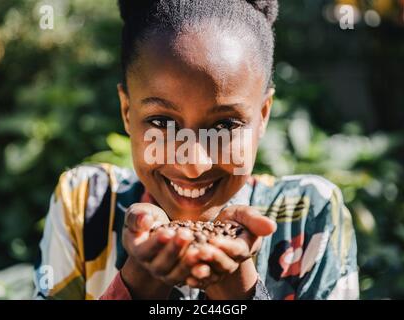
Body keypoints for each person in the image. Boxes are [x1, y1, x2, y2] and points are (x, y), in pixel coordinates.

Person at [34, 0, 359, 300]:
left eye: (224, 126)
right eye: (161, 121)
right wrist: (136, 284)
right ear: (127, 112)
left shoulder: (308, 215)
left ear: (262, 116)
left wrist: (240, 291)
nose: (193, 165)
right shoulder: (86, 204)